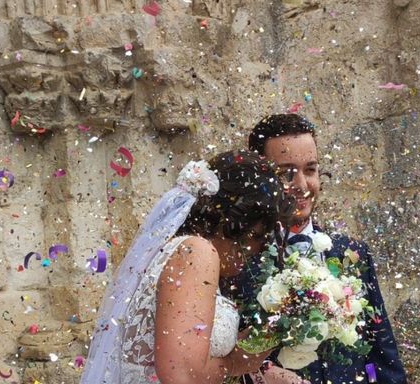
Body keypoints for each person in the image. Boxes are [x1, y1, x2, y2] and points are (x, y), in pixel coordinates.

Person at [81, 150, 308, 384]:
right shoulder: (196, 253)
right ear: (236, 225)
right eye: (258, 235)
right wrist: (235, 364)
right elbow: (180, 375)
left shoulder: (173, 251)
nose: (258, 249)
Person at [231, 113, 407, 384]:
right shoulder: (237, 259)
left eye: (310, 170)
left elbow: (383, 356)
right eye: (287, 173)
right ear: (261, 178)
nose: (302, 185)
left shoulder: (351, 252)